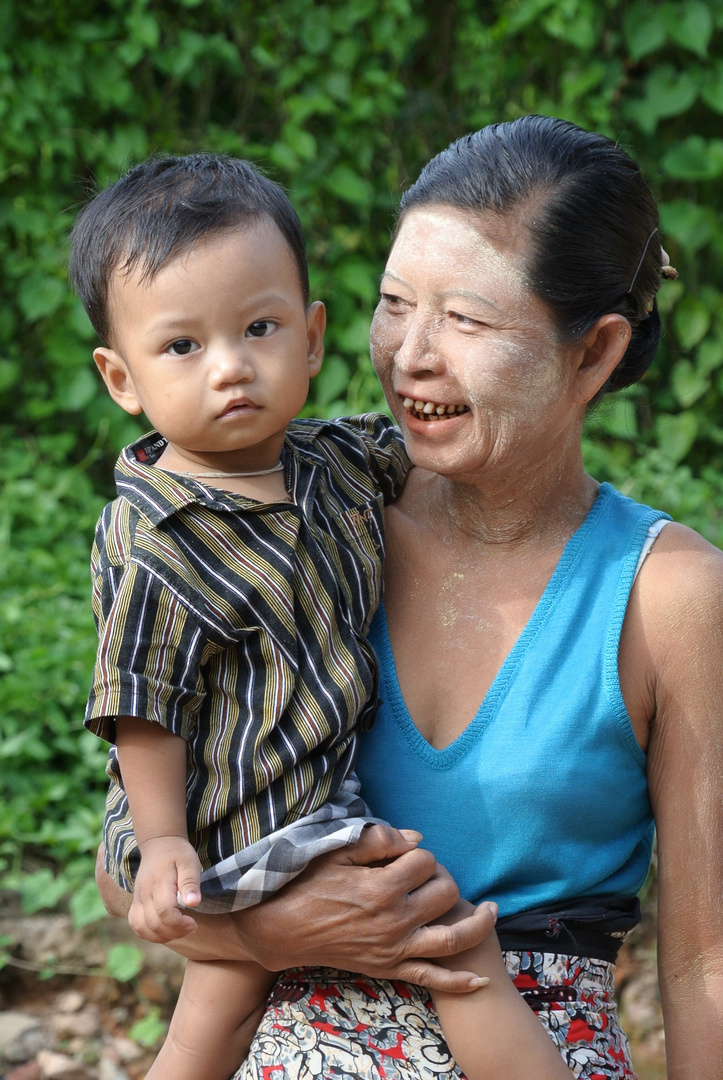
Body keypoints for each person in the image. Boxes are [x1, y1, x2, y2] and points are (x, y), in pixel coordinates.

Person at [73, 153, 573, 1080]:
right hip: (226, 814)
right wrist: (165, 844)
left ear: (309, 339)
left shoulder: (332, 464)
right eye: (182, 347)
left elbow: (440, 459)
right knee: (450, 937)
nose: (230, 368)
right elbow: (141, 701)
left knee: (214, 1013)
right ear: (120, 377)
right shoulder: (160, 535)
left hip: (296, 795)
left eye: (257, 328)